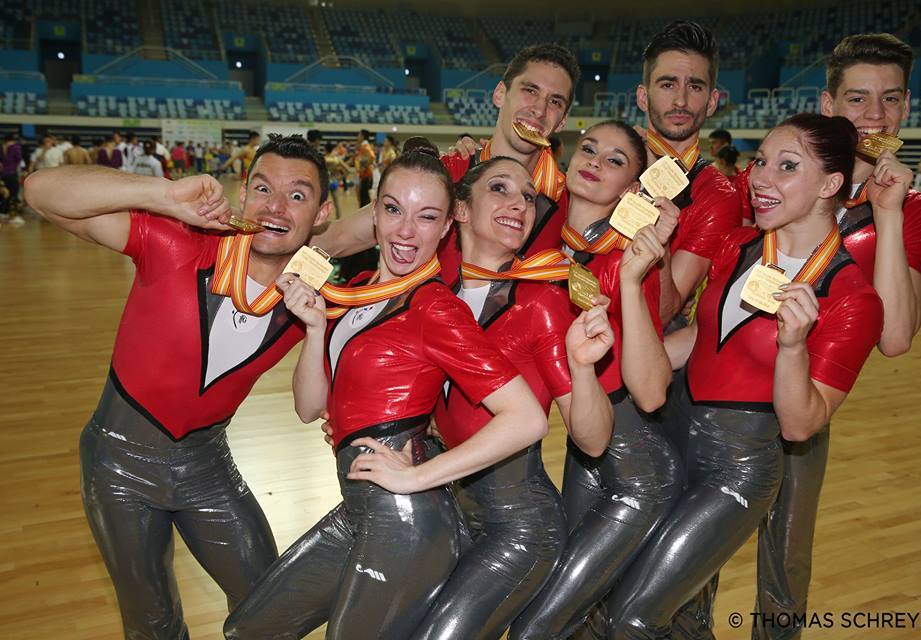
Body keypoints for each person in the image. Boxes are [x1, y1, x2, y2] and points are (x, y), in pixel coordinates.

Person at [223, 139, 548, 640]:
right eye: (394, 210)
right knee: (250, 628)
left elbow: (526, 418)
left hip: (405, 522)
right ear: (374, 213)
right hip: (359, 509)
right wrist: (315, 329)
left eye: (426, 217)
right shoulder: (357, 294)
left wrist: (419, 477)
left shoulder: (435, 308)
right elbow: (310, 407)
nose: (405, 231)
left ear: (446, 227)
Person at [23, 134, 334, 639]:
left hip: (207, 465)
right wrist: (162, 194)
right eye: (262, 188)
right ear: (242, 195)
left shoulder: (311, 298)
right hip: (118, 464)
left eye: (297, 195)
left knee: (269, 604)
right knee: (152, 622)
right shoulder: (178, 242)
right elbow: (40, 190)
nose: (275, 207)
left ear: (322, 214)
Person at [606, 113, 884, 639]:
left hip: (736, 471)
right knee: (682, 618)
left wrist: (793, 347)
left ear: (830, 185)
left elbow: (802, 424)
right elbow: (700, 338)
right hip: (673, 440)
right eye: (760, 161)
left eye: (787, 166)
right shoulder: (738, 245)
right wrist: (617, 353)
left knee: (635, 616)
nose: (760, 178)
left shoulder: (853, 298)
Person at [413, 156, 616, 640]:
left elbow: (594, 440)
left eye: (528, 196)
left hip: (519, 529)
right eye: (500, 189)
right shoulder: (430, 294)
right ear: (461, 210)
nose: (520, 204)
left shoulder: (540, 303)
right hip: (448, 512)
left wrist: (583, 366)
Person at [510, 120, 681, 639]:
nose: (595, 162)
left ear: (632, 189)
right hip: (584, 453)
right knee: (574, 623)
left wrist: (632, 279)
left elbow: (651, 391)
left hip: (637, 477)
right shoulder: (534, 234)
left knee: (542, 621)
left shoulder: (629, 259)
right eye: (589, 149)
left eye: (615, 160)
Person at [312, 43, 580, 286]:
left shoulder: (569, 202)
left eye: (555, 101)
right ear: (500, 94)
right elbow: (337, 238)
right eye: (530, 90)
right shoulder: (446, 173)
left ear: (563, 121)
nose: (539, 110)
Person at [633, 21, 742, 329]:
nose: (680, 101)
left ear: (712, 101)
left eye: (694, 87)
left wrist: (661, 241)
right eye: (667, 85)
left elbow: (664, 310)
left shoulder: (718, 195)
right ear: (643, 97)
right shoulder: (610, 160)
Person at [0, 133, 23, 224]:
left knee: (5, 195)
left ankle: (3, 213)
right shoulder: (15, 147)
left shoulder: (1, 147)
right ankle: (13, 217)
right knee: (14, 195)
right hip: (12, 174)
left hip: (2, 175)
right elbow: (19, 159)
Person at [354, 129, 376, 207]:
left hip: (366, 174)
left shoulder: (365, 146)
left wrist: (364, 166)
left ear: (363, 136)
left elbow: (372, 157)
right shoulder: (362, 146)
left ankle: (368, 212)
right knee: (363, 196)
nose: (357, 136)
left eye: (359, 135)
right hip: (363, 174)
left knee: (364, 197)